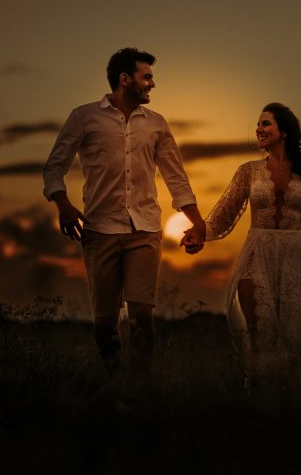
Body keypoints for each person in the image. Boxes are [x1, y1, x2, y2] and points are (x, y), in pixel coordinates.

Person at [43, 47, 206, 371]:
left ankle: (142, 388)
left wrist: (198, 223)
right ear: (125, 79)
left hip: (145, 230)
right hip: (99, 230)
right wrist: (63, 204)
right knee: (105, 324)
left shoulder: (157, 125)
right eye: (147, 77)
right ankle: (115, 381)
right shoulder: (84, 117)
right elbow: (54, 166)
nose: (152, 84)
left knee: (143, 316)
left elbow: (176, 176)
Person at [183, 103, 301, 386]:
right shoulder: (248, 171)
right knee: (262, 338)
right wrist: (199, 233)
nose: (258, 129)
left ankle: (297, 402)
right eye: (258, 124)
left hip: (294, 259)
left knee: (296, 340)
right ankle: (258, 397)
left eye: (266, 124)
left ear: (284, 131)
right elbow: (223, 216)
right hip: (256, 254)